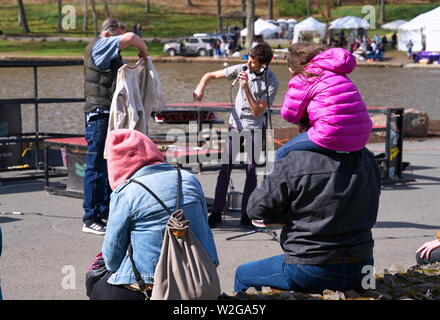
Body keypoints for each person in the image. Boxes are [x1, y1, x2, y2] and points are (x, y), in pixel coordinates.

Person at [89, 129, 219, 300]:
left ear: (116, 165)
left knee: (97, 287)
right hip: (199, 278)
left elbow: (112, 259)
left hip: (151, 286)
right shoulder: (189, 179)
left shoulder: (127, 192)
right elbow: (204, 232)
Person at [234, 146, 381, 293]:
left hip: (311, 269)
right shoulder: (366, 157)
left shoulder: (294, 160)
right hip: (363, 268)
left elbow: (255, 209)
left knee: (242, 274)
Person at [193, 43, 279, 228]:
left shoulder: (272, 81)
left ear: (264, 64)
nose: (248, 64)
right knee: (225, 169)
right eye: (248, 59)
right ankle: (216, 213)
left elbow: (257, 111)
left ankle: (247, 215)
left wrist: (246, 87)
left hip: (255, 128)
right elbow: (210, 75)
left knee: (251, 172)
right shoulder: (241, 68)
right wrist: (201, 87)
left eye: (253, 62)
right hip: (235, 126)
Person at [82, 18, 149, 235]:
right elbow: (131, 38)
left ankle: (103, 211)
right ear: (110, 33)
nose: (121, 40)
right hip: (99, 115)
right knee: (95, 166)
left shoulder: (106, 49)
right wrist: (144, 51)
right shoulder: (101, 45)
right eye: (118, 35)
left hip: (106, 116)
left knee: (106, 165)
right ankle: (89, 217)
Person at [276, 43, 372, 161]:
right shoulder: (338, 73)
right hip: (361, 135)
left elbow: (289, 115)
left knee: (280, 154)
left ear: (292, 66)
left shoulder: (304, 77)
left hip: (330, 134)